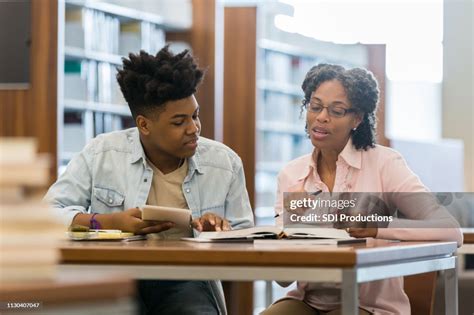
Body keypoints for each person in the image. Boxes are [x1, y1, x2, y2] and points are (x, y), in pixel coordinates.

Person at [45, 46, 254, 315]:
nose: (194, 128)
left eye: (195, 115)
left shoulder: (224, 163)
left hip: (186, 278)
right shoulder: (101, 154)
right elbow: (47, 215)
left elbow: (248, 240)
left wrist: (220, 236)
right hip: (114, 274)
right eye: (179, 122)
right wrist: (107, 222)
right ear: (144, 125)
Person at [261, 64, 462, 315]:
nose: (322, 117)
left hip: (370, 306)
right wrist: (295, 228)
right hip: (307, 302)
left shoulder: (385, 164)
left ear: (357, 118)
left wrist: (379, 227)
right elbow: (283, 279)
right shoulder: (291, 174)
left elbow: (451, 230)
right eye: (315, 107)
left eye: (336, 110)